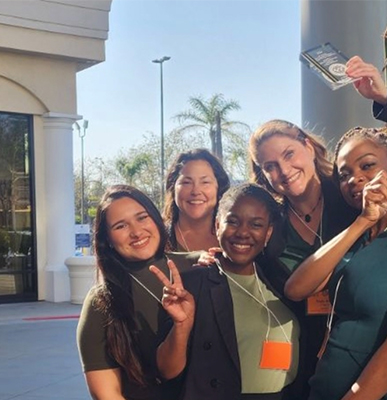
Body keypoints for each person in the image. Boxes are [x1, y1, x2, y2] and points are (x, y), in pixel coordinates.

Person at [247, 57, 387, 397]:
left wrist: (383, 97)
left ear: (306, 144)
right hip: (308, 359)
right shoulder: (272, 222)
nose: (284, 170)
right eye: (270, 166)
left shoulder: (353, 194)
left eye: (288, 153)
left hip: (379, 368)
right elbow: (278, 280)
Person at [284, 126, 387, 400]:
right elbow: (297, 288)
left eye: (367, 165)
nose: (354, 179)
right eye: (344, 174)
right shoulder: (358, 237)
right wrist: (363, 222)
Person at [152, 183, 303, 400]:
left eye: (256, 224)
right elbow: (166, 371)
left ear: (268, 232)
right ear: (217, 225)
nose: (243, 232)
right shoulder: (190, 286)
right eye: (232, 221)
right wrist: (181, 326)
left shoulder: (281, 280)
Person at [76, 185, 198, 400]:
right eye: (120, 226)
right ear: (107, 241)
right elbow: (107, 394)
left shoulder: (200, 266)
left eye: (142, 218)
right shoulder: (102, 302)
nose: (136, 232)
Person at [163, 148, 230, 252]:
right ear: (172, 188)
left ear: (219, 187)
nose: (196, 191)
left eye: (205, 182)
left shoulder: (234, 236)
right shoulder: (158, 239)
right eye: (186, 182)